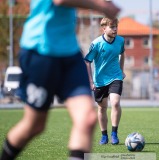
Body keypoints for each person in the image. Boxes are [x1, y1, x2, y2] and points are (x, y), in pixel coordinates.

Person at [0, 0, 120, 160]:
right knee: (34, 125)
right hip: (41, 51)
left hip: (70, 53)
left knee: (87, 118)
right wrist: (101, 6)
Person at [84, 17, 125, 145]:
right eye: (112, 27)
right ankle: (104, 135)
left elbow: (122, 53)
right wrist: (91, 81)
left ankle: (114, 133)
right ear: (104, 28)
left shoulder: (120, 41)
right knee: (102, 108)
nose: (115, 29)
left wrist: (122, 70)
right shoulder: (96, 44)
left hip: (115, 76)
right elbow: (87, 61)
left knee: (116, 102)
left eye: (116, 26)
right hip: (100, 80)